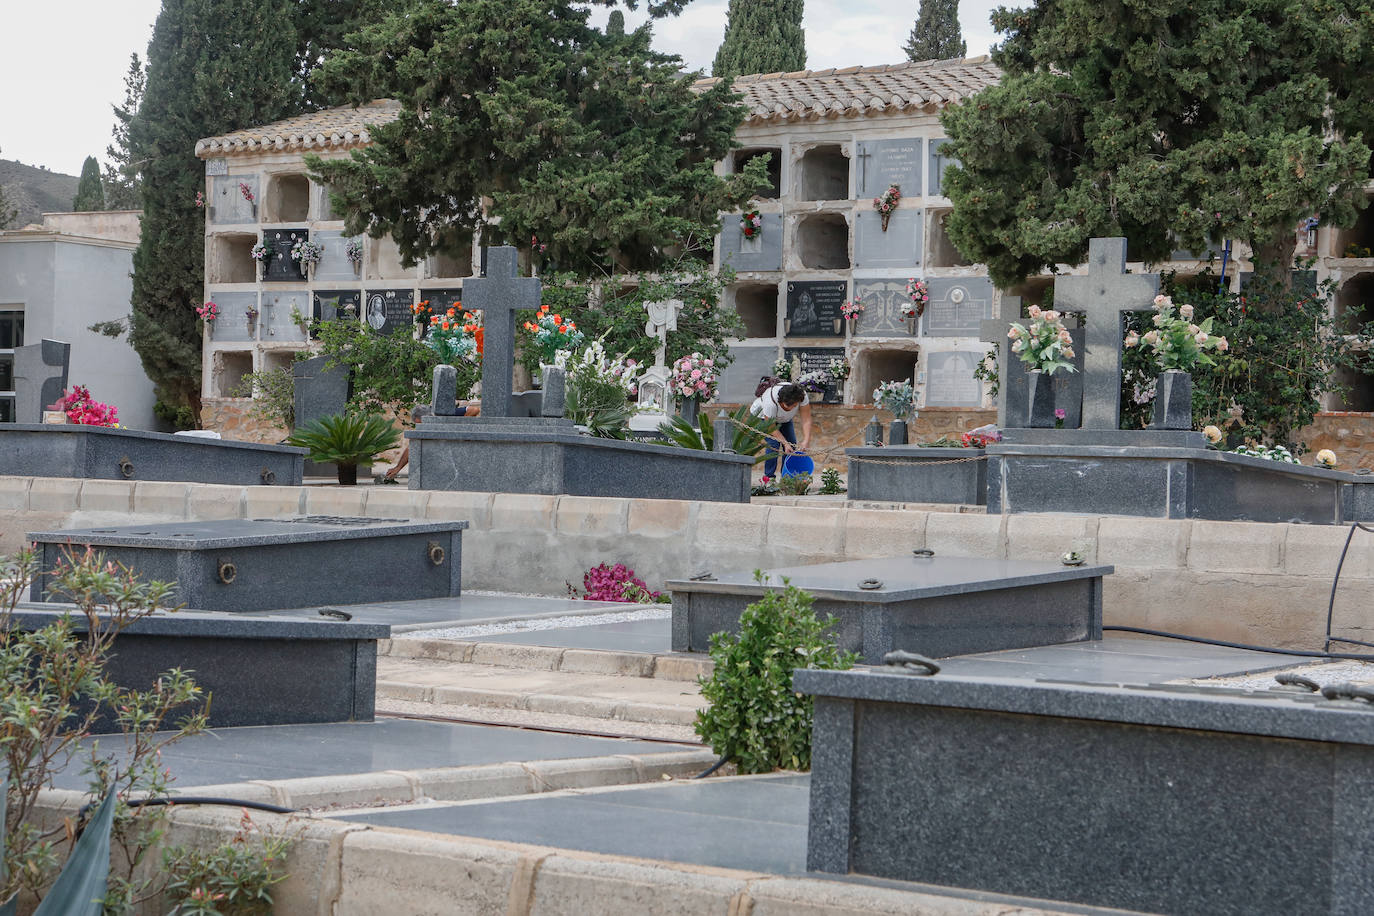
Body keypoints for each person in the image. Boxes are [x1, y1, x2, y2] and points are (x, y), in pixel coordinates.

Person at [382, 400, 482, 482]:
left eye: (419, 423)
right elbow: (412, 448)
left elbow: (475, 410)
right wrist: (398, 468)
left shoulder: (443, 416)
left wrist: (454, 427)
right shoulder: (425, 429)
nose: (420, 426)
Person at [749, 381, 812, 484]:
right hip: (762, 418)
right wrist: (785, 443)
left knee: (792, 446)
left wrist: (806, 440)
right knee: (773, 444)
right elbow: (771, 427)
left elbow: (806, 419)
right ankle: (769, 479)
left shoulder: (802, 396)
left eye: (794, 406)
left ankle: (786, 479)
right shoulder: (770, 402)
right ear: (780, 401)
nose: (791, 409)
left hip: (784, 420)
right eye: (787, 407)